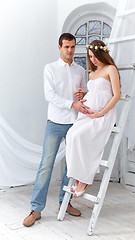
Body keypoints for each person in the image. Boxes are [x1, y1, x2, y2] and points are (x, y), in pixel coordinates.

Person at [23, 33, 89, 227]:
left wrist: (82, 94)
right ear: (59, 47)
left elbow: (85, 93)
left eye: (73, 47)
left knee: (72, 166)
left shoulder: (80, 70)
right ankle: (36, 209)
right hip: (55, 122)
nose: (70, 50)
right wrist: (72, 104)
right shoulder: (50, 68)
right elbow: (49, 95)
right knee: (46, 165)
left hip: (75, 123)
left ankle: (65, 203)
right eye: (66, 47)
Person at [66, 40, 121, 198]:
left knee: (80, 136)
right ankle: (77, 176)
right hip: (87, 114)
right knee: (71, 136)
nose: (93, 59)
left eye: (95, 56)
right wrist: (83, 95)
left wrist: (101, 113)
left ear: (102, 53)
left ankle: (84, 179)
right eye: (90, 56)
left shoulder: (111, 69)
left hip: (102, 115)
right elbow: (95, 92)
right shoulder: (91, 73)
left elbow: (116, 95)